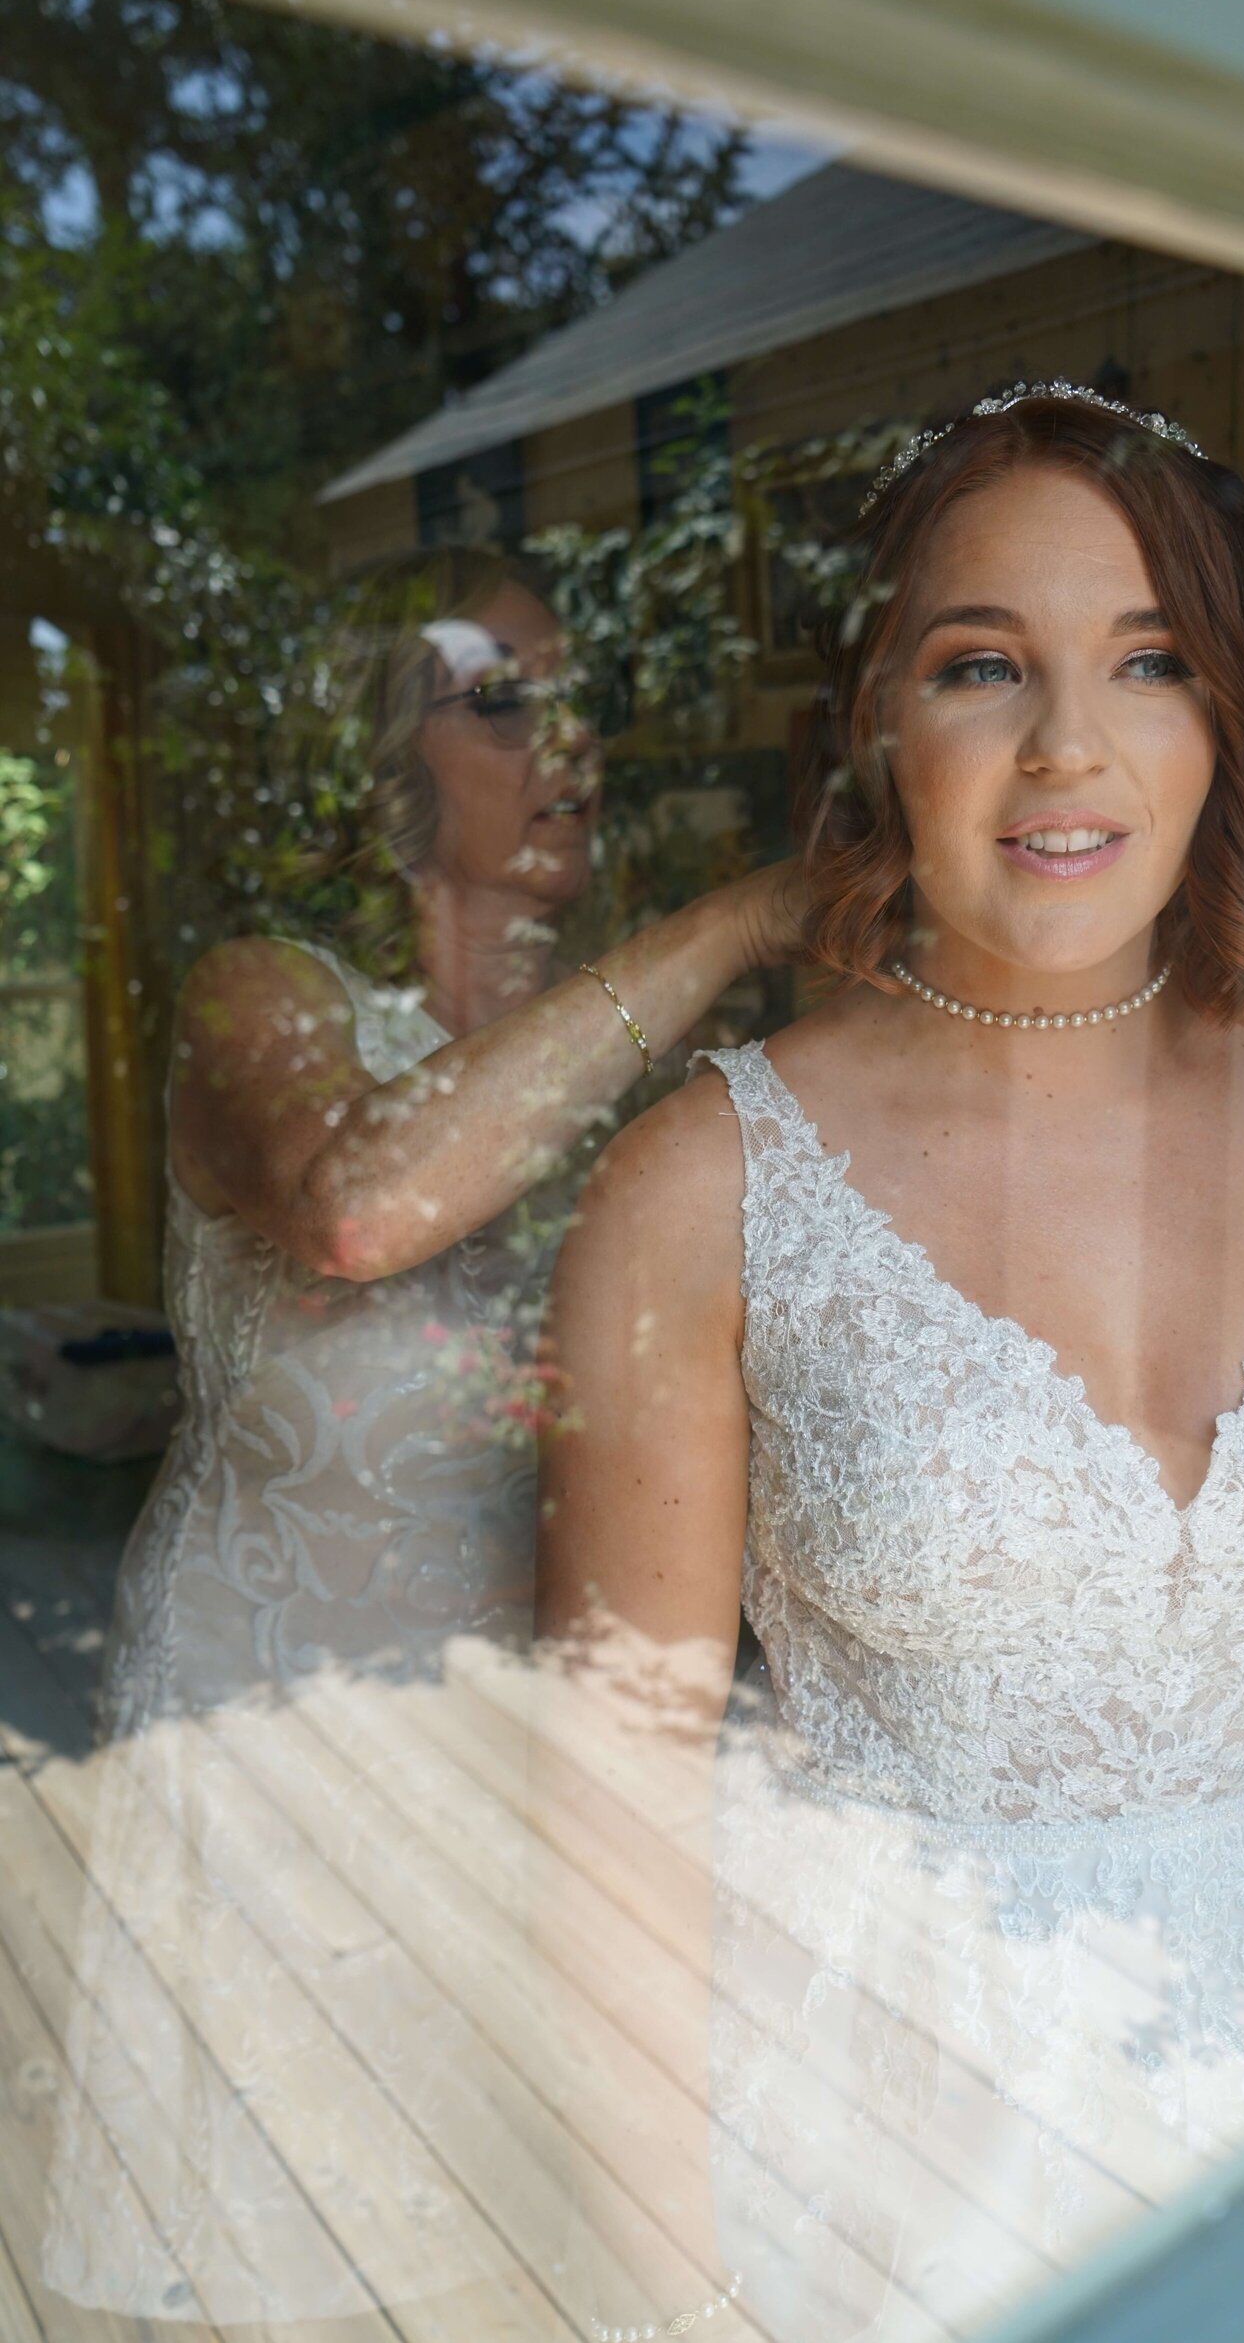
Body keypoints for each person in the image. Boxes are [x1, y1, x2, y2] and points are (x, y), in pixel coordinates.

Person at [536, 384, 1244, 2343]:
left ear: (1226, 711)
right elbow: (607, 1821)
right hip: (886, 2198)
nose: (1066, 748)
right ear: (872, 717)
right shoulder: (701, 1191)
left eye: (1146, 661)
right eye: (977, 667)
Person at [42, 544, 801, 2328]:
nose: (574, 744)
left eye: (582, 705)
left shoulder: (676, 1081)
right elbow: (359, 1207)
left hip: (549, 1777)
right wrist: (741, 916)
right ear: (378, 759)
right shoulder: (262, 999)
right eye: (505, 700)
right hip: (277, 1755)